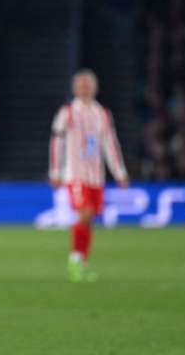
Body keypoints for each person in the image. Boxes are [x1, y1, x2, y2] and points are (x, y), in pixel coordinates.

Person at [48, 70, 128, 282]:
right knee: (84, 213)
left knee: (89, 218)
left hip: (96, 177)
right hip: (75, 174)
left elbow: (110, 144)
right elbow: (57, 142)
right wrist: (55, 171)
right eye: (81, 84)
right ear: (74, 88)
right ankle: (75, 261)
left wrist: (120, 172)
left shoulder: (102, 114)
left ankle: (81, 262)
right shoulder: (67, 112)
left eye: (88, 84)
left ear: (95, 87)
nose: (84, 88)